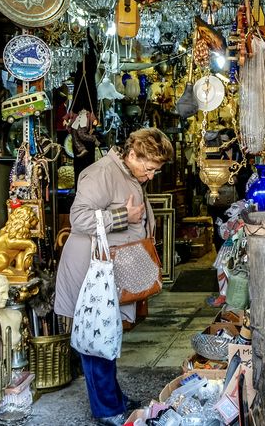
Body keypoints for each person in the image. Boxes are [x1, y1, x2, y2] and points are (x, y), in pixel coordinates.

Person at [54, 127, 173, 426]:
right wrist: (123, 217)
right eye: (149, 168)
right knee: (97, 337)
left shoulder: (128, 173)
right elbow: (79, 218)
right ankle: (107, 409)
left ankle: (113, 398)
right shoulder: (102, 173)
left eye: (155, 170)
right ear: (132, 154)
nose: (150, 176)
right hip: (90, 270)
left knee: (107, 334)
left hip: (108, 270)